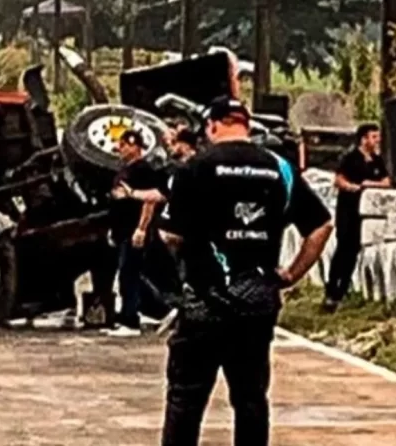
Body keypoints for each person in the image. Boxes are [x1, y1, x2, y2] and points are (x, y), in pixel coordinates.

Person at [158, 97, 333, 446]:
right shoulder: (280, 168)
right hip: (257, 303)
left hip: (204, 304)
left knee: (186, 400)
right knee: (251, 399)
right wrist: (291, 274)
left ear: (212, 126)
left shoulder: (194, 168)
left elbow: (171, 235)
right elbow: (321, 226)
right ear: (247, 125)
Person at [323, 123, 391, 311]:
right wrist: (351, 187)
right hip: (348, 209)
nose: (377, 141)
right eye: (374, 137)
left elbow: (386, 181)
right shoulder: (350, 157)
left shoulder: (377, 160)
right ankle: (331, 289)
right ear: (364, 139)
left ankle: (343, 289)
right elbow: (339, 179)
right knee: (343, 248)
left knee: (353, 250)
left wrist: (370, 184)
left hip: (365, 213)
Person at [106, 129, 167, 337]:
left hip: (134, 229)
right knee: (130, 274)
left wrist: (141, 228)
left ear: (135, 146)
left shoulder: (143, 170)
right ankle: (157, 309)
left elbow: (149, 201)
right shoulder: (124, 170)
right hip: (121, 229)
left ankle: (130, 320)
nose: (120, 149)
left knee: (129, 274)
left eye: (123, 145)